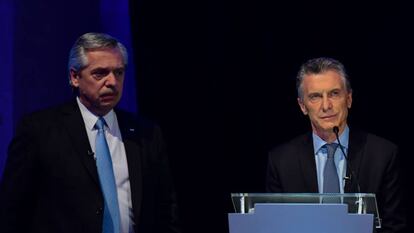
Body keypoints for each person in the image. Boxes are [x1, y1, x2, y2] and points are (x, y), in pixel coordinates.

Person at [0, 32, 180, 233]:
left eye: (119, 72)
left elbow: (166, 210)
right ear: (75, 77)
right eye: (100, 73)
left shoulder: (146, 133)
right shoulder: (39, 130)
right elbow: (12, 210)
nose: (112, 82)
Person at [266, 57, 406, 233]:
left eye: (334, 94)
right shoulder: (281, 161)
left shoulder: (382, 155)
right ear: (302, 106)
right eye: (315, 97)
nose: (326, 106)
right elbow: (275, 227)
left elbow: (394, 227)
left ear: (349, 98)